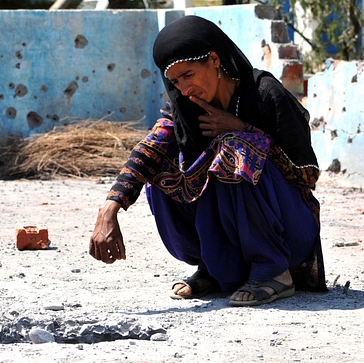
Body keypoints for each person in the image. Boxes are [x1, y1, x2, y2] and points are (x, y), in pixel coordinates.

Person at [89, 15, 326, 307]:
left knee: (233, 147)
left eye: (188, 75)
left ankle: (273, 272)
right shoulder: (184, 106)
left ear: (214, 60)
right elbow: (149, 149)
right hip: (233, 237)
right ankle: (214, 267)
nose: (184, 88)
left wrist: (244, 130)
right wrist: (110, 208)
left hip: (290, 230)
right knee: (162, 168)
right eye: (175, 81)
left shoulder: (264, 93)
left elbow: (307, 176)